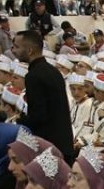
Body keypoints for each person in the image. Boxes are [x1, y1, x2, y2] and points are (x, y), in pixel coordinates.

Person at [13, 30, 74, 160]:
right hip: (63, 142)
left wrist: (19, 121)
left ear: (29, 50)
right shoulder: (53, 71)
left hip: (49, 146)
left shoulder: (34, 76)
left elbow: (39, 115)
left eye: (17, 47)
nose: (13, 50)